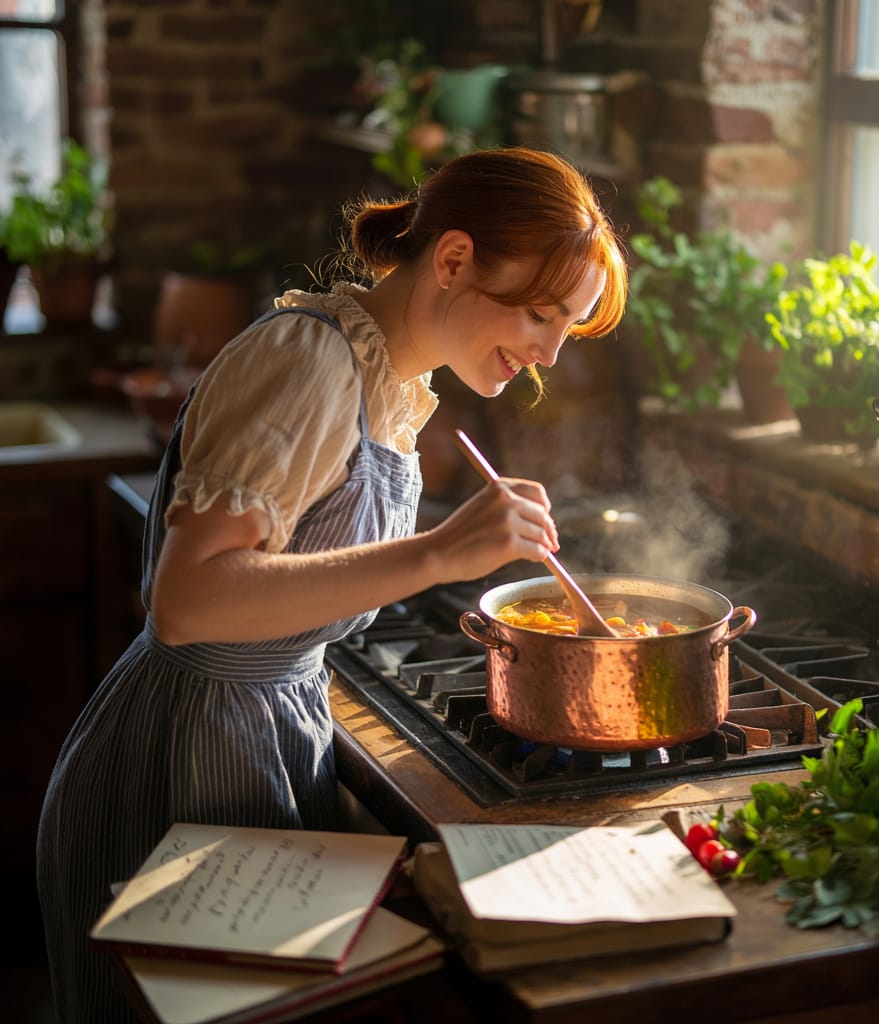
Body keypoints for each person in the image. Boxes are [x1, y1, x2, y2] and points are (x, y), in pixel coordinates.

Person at [36, 145, 628, 1023]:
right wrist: (434, 554)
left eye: (565, 330)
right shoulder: (305, 360)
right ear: (455, 259)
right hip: (174, 760)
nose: (544, 354)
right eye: (541, 314)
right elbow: (185, 602)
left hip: (269, 738)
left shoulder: (395, 381)